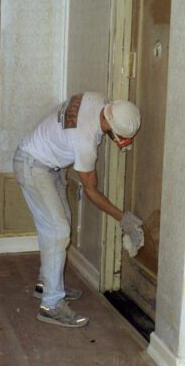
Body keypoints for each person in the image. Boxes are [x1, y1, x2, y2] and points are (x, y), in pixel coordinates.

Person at [13, 92, 144, 328]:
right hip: (33, 166)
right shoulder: (85, 141)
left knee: (59, 225)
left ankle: (47, 283)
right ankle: (51, 306)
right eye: (121, 138)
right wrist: (122, 218)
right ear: (113, 130)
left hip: (47, 164)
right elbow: (91, 191)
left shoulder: (97, 99)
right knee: (58, 230)